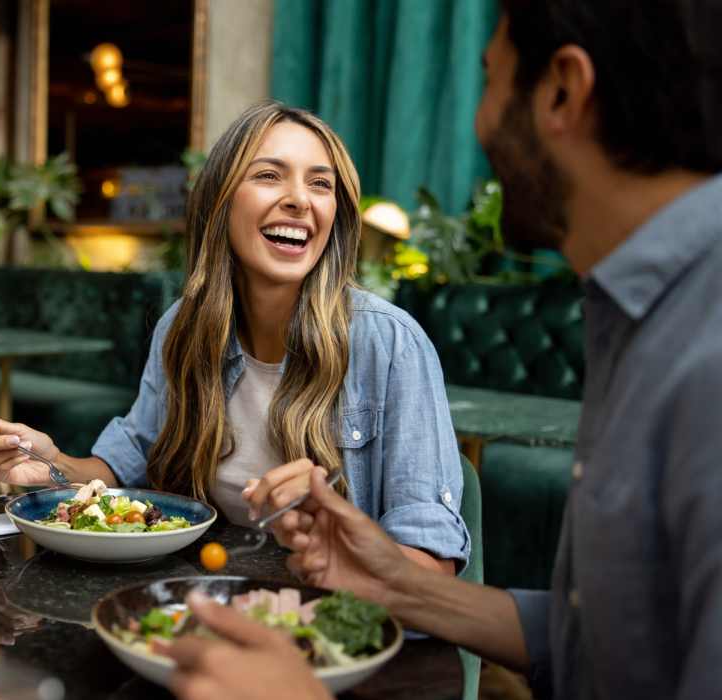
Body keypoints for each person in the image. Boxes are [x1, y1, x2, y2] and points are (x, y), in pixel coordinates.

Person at [177, 1, 722, 698]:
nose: (480, 124)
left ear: (561, 90)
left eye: (489, 80)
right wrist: (396, 582)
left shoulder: (704, 353)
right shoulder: (638, 313)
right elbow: (619, 638)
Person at [0, 102, 468, 574]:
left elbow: (432, 565)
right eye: (270, 175)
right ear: (221, 202)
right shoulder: (183, 329)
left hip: (333, 623)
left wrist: (332, 542)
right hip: (205, 596)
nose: (298, 199)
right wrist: (51, 463)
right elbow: (122, 467)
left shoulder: (391, 343)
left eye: (321, 184)